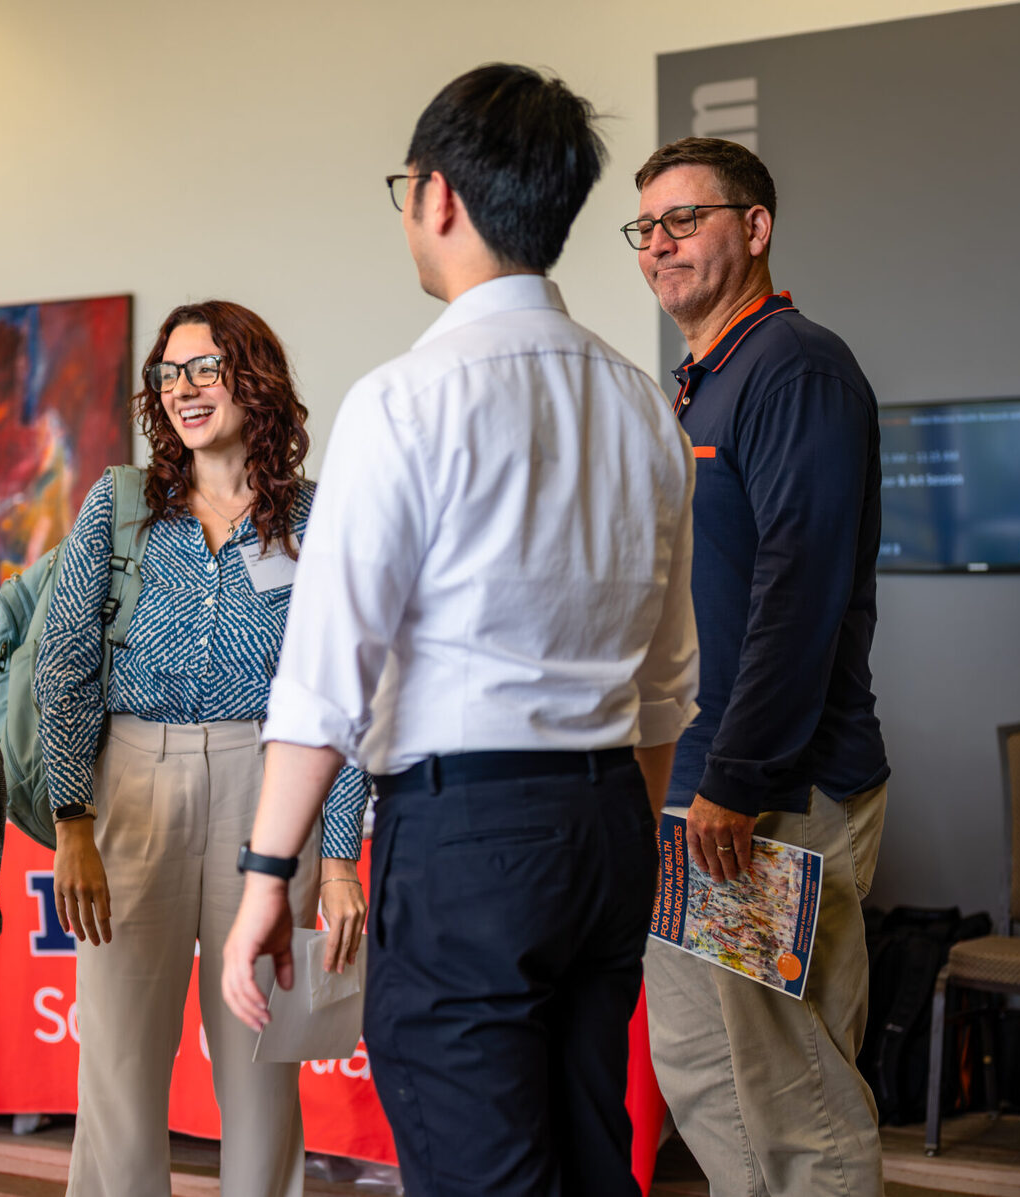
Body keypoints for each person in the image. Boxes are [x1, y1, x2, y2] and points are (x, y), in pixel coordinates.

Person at [221, 64, 700, 1196]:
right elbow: (668, 680)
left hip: (469, 833)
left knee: (479, 1165)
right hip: (608, 822)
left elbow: (327, 674)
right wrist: (616, 830)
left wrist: (266, 877)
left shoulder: (404, 399)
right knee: (591, 1153)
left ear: (437, 195)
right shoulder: (645, 402)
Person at [35, 300, 371, 1197]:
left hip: (272, 788)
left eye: (205, 368)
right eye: (168, 373)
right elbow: (64, 665)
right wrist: (72, 819)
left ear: (253, 379)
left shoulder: (317, 517)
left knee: (264, 1055)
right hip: (133, 784)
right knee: (116, 1061)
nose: (183, 388)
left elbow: (343, 689)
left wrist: (340, 855)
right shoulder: (120, 505)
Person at [626, 136, 891, 1197]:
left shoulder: (796, 368)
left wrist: (735, 780)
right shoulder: (702, 385)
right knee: (705, 1073)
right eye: (646, 227)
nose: (660, 244)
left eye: (684, 220)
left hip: (769, 801)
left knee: (793, 1095)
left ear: (755, 226)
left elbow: (799, 589)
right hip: (695, 795)